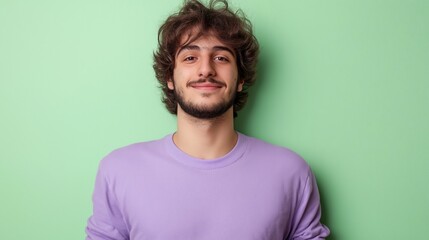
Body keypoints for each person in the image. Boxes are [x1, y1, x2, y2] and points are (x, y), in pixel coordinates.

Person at [85, 0, 330, 239]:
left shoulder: (291, 173)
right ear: (170, 78)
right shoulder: (118, 171)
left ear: (241, 79)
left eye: (221, 58)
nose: (206, 70)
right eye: (190, 58)